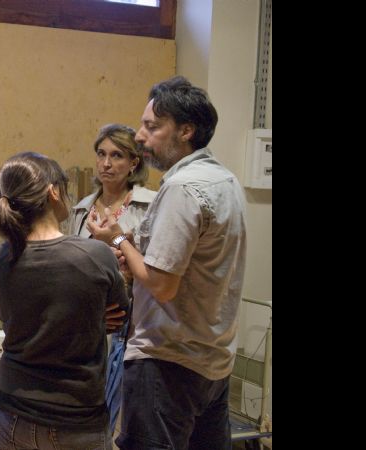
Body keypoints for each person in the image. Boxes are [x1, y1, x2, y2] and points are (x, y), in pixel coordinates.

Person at [87, 76, 247, 450]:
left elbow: (162, 285)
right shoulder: (225, 180)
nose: (141, 136)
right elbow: (186, 270)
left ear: (186, 130)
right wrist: (132, 260)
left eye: (152, 127)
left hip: (168, 363)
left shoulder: (181, 188)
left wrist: (118, 239)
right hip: (213, 362)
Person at [0, 152, 129, 450]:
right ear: (53, 191)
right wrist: (93, 317)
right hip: (74, 421)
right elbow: (119, 315)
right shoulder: (95, 255)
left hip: (10, 414)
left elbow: (7, 313)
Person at [68, 123, 157, 435]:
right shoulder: (82, 209)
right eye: (101, 154)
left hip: (131, 323)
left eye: (116, 155)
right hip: (86, 322)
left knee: (120, 417)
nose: (106, 163)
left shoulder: (149, 205)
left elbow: (160, 268)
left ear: (133, 162)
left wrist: (127, 263)